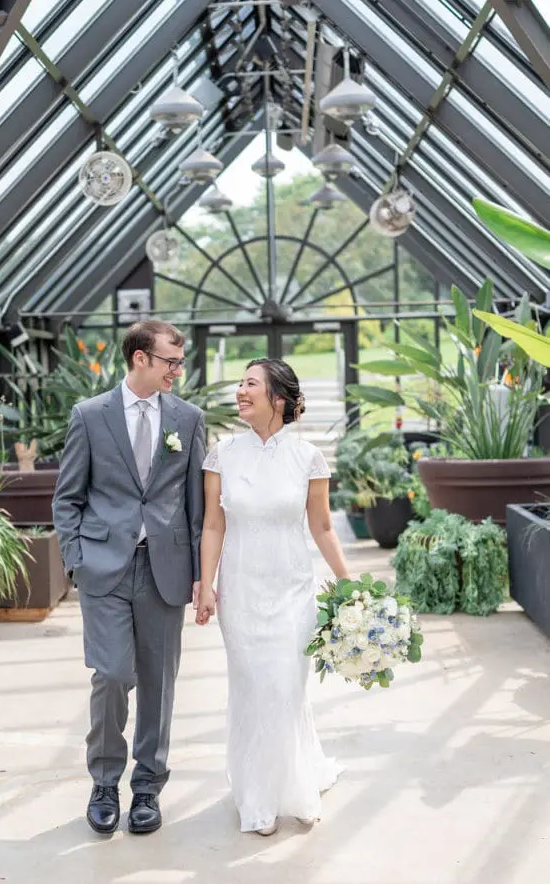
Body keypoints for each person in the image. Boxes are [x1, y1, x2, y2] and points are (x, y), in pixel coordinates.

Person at [53, 319, 205, 836]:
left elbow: (195, 508)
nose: (177, 372)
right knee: (113, 674)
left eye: (179, 362)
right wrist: (76, 559)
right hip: (104, 567)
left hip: (165, 568)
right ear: (140, 359)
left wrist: (202, 576)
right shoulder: (90, 416)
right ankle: (103, 781)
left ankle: (147, 787)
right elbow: (67, 497)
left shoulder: (188, 419)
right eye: (170, 362)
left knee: (160, 683)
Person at [196, 358, 350, 836]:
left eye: (250, 385)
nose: (240, 391)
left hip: (292, 592)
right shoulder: (221, 454)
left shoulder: (309, 457)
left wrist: (349, 584)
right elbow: (213, 525)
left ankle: (296, 786)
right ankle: (258, 797)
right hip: (240, 593)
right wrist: (207, 584)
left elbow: (322, 527)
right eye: (240, 384)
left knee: (285, 687)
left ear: (277, 399)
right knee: (253, 691)